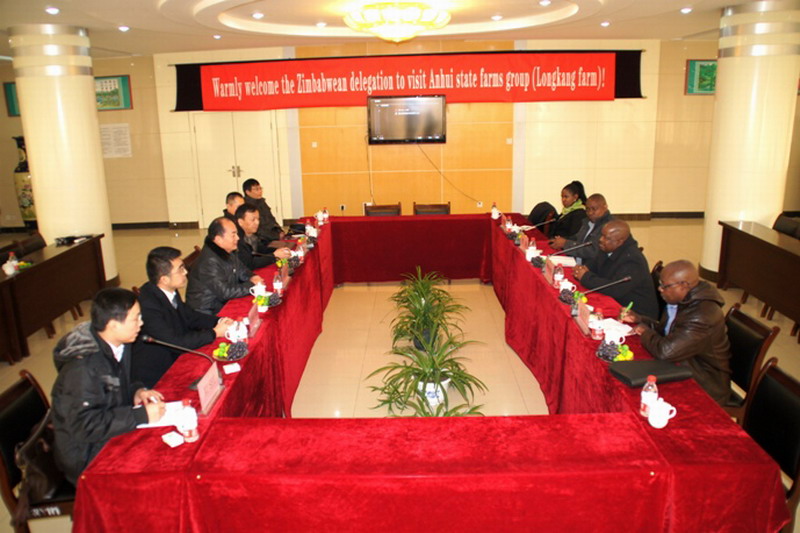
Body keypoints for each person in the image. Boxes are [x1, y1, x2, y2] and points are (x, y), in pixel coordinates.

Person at [51, 288, 166, 486]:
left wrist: (137, 391)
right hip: (87, 455)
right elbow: (85, 426)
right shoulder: (82, 369)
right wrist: (140, 415)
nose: (141, 323)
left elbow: (118, 383)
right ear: (113, 325)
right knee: (157, 472)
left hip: (111, 428)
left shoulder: (120, 342)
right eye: (136, 319)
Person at [622, 260, 732, 405]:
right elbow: (669, 331)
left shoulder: (702, 316)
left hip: (705, 383)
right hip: (682, 362)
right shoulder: (681, 299)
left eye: (664, 286)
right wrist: (641, 319)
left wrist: (645, 332)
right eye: (660, 284)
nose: (660, 289)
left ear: (684, 286)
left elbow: (665, 351)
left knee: (633, 394)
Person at [132, 247, 234, 388]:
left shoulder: (169, 290)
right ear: (164, 279)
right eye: (180, 269)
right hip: (160, 372)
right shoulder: (148, 306)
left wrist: (220, 321)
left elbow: (190, 316)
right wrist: (215, 333)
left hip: (177, 354)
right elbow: (175, 342)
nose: (185, 272)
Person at [573, 220, 658, 318]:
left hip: (635, 313)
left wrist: (585, 277)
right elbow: (595, 265)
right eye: (602, 235)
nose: (601, 239)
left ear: (619, 242)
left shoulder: (632, 260)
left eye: (606, 238)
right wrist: (584, 268)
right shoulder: (608, 246)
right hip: (615, 301)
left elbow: (615, 288)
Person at [186, 217, 264, 315]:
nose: (238, 238)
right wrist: (252, 285)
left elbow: (243, 270)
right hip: (207, 312)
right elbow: (225, 292)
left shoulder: (226, 251)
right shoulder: (209, 261)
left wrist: (252, 277)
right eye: (233, 235)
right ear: (218, 239)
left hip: (221, 303)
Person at [549, 193, 613, 264]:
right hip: (575, 262)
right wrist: (561, 240)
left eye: (594, 209)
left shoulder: (610, 227)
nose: (590, 213)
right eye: (587, 209)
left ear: (605, 207)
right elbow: (577, 238)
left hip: (590, 267)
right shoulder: (587, 221)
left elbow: (593, 251)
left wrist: (565, 244)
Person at [235, 204, 291, 270]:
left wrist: (279, 250)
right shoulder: (236, 239)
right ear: (240, 222)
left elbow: (261, 250)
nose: (257, 222)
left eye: (258, 219)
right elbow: (249, 263)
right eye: (253, 220)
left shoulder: (253, 235)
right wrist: (274, 256)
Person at [242, 178, 283, 244]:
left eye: (260, 188)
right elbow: (257, 230)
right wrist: (276, 236)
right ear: (248, 192)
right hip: (261, 240)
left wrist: (279, 230)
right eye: (256, 189)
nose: (260, 191)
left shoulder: (261, 202)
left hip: (271, 235)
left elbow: (271, 219)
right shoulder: (247, 207)